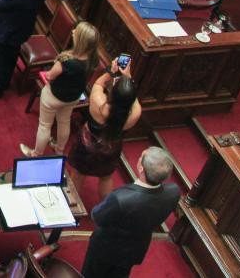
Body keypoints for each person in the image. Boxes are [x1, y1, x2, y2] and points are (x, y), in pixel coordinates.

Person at [82, 147, 180, 278]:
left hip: (105, 249)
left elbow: (97, 216)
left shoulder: (121, 198)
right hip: (134, 249)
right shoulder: (174, 191)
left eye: (141, 156)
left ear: (141, 168)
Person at [23, 21, 101, 156]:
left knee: (45, 125)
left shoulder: (66, 60)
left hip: (53, 97)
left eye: (76, 31)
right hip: (73, 97)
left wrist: (48, 74)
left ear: (81, 40)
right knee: (64, 122)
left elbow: (50, 76)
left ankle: (36, 153)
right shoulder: (94, 60)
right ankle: (59, 151)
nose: (73, 32)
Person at [68, 63, 142, 202]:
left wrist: (111, 72)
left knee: (78, 174)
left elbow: (98, 84)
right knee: (106, 177)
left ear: (112, 95)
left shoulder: (98, 103)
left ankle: (73, 203)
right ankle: (104, 205)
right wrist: (128, 79)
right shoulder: (135, 114)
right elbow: (132, 98)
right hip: (110, 148)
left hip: (87, 144)